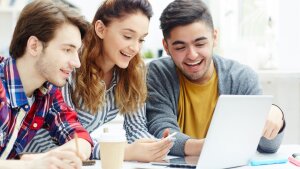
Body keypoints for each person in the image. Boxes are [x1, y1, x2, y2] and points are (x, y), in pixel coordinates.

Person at [24, 0, 173, 162]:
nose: (135, 48)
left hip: (72, 159)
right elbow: (67, 136)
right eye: (128, 36)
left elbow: (136, 128)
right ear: (101, 29)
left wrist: (154, 146)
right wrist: (122, 151)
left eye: (141, 40)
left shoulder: (133, 71)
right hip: (29, 158)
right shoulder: (69, 65)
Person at [146, 0, 285, 157]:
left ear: (214, 37)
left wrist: (276, 117)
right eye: (180, 47)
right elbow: (162, 132)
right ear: (166, 47)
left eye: (200, 44)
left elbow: (267, 147)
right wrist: (210, 146)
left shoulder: (241, 78)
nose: (192, 55)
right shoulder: (158, 73)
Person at [0, 0, 93, 168]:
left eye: (77, 52)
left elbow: (80, 137)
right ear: (34, 46)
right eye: (67, 50)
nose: (77, 63)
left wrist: (60, 156)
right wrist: (31, 165)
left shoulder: (46, 93)